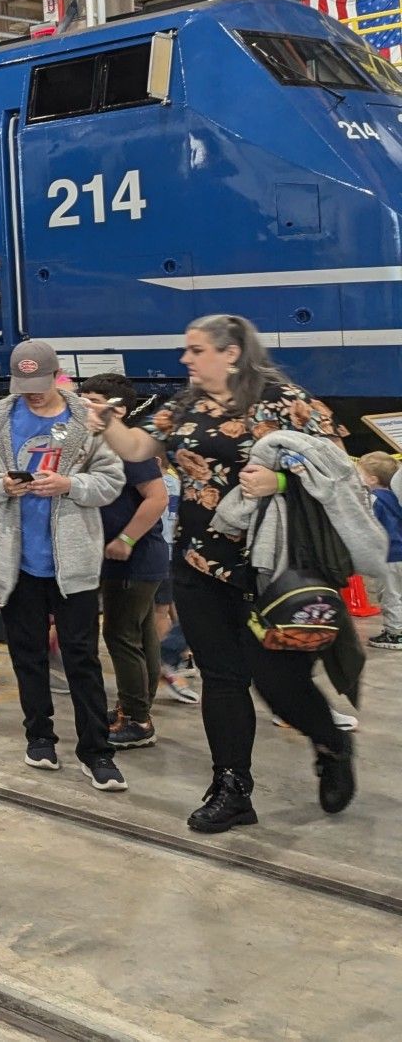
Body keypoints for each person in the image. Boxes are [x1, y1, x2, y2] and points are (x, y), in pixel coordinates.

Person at [86, 313, 351, 833]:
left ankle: (332, 744)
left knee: (280, 681)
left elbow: (339, 468)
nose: (186, 359)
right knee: (223, 679)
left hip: (269, 568)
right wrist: (106, 421)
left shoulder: (285, 399)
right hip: (198, 563)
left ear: (231, 353)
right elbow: (140, 449)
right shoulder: (184, 403)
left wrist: (278, 481)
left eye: (196, 350)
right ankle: (232, 788)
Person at [0, 340, 127, 790]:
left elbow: (111, 480)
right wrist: (0, 485)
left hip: (72, 562)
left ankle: (97, 752)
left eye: (39, 385)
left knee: (82, 658)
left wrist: (69, 484)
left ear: (56, 376)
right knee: (27, 656)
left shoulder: (86, 420)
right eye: (23, 385)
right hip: (15, 563)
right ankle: (39, 736)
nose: (31, 394)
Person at [79, 373, 171, 750]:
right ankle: (134, 709)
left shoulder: (127, 448)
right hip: (137, 559)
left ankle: (136, 719)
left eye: (92, 399)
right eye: (81, 396)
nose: (82, 404)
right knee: (142, 636)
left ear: (117, 409)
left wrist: (126, 539)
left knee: (121, 636)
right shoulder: (99, 442)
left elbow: (157, 497)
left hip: (133, 559)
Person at [361, 450, 402, 651]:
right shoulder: (397, 496)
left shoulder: (373, 499)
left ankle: (395, 633)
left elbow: (367, 524)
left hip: (388, 556)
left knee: (390, 595)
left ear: (372, 479)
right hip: (400, 552)